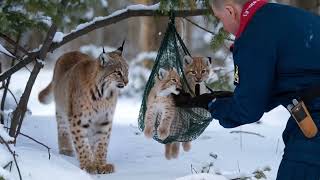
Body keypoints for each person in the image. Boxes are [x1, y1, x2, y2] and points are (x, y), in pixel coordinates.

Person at [173, 0, 320, 179]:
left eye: (220, 19)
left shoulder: (254, 34)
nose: (223, 27)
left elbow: (248, 110)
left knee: (300, 165)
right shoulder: (280, 15)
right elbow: (289, 80)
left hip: (315, 119)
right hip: (309, 109)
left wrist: (212, 105)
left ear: (230, 11)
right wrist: (229, 99)